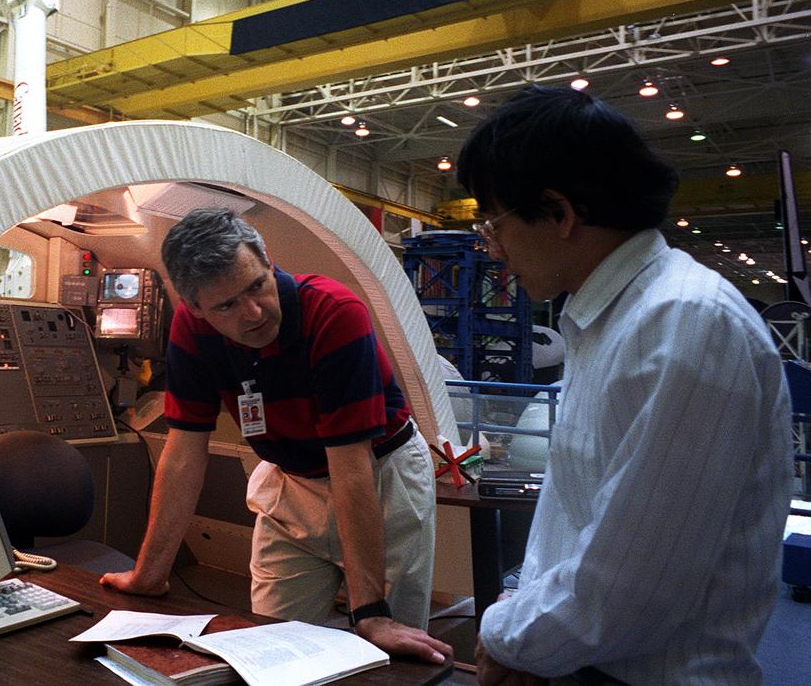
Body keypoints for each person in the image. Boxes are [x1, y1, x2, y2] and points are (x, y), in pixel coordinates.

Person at [457, 86, 791, 684]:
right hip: (584, 662)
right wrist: (524, 614)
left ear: (559, 213)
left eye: (494, 223)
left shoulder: (686, 324)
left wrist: (508, 636)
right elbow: (579, 516)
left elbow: (635, 583)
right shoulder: (609, 320)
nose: (494, 249)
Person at [100, 207, 452, 664]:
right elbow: (183, 453)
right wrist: (149, 575)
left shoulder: (333, 312)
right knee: (275, 649)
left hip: (381, 475)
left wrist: (369, 613)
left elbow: (351, 464)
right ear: (196, 308)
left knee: (388, 654)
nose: (253, 313)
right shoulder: (192, 330)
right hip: (291, 481)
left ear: (267, 260)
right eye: (226, 306)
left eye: (256, 286)